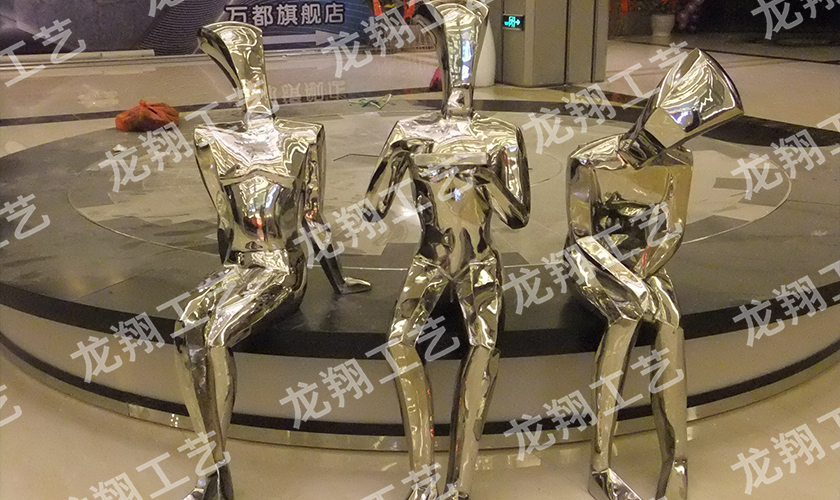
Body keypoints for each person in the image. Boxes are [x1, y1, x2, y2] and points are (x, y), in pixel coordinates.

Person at [175, 22, 370, 500]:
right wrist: (223, 282)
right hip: (239, 266)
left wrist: (338, 281)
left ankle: (214, 476)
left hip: (284, 268)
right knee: (186, 328)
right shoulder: (212, 143)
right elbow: (225, 224)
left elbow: (312, 218)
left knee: (215, 337)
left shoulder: (303, 137)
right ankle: (212, 468)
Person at [364, 2, 530, 498]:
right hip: (430, 259)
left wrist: (485, 178)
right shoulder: (411, 133)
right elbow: (372, 209)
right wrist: (395, 161)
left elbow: (517, 216)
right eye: (449, 50)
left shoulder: (501, 136)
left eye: (465, 51)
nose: (459, 73)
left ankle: (460, 482)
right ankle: (422, 476)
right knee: (399, 341)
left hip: (480, 261)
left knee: (484, 346)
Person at [564, 49, 743, 500]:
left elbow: (672, 231)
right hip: (592, 262)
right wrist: (628, 282)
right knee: (624, 318)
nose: (652, 152)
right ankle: (600, 463)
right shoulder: (590, 160)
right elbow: (581, 235)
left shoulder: (678, 165)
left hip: (647, 260)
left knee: (670, 323)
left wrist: (642, 272)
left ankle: (676, 456)